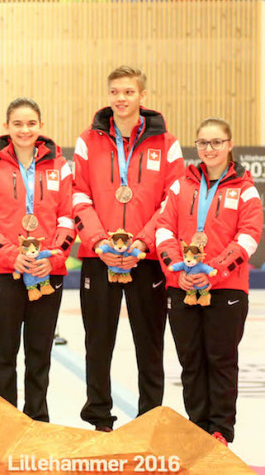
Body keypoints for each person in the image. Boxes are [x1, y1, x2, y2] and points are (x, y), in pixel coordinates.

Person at [72, 66, 183, 431]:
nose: (121, 99)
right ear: (109, 96)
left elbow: (173, 200)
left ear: (142, 97)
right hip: (99, 255)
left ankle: (150, 418)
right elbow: (78, 195)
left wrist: (142, 242)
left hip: (146, 258)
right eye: (115, 92)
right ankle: (99, 418)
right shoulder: (88, 140)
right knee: (98, 343)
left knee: (149, 344)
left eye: (129, 92)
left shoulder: (167, 143)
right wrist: (99, 241)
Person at [155, 118, 261, 446]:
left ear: (230, 145)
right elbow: (163, 230)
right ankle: (197, 427)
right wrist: (179, 270)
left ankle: (220, 431)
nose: (209, 149)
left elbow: (249, 237)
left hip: (226, 288)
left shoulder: (244, 188)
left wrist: (212, 270)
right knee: (191, 360)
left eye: (216, 142)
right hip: (183, 285)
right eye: (203, 143)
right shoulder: (181, 185)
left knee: (221, 360)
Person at [0, 98, 74, 422]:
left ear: (40, 126)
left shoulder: (60, 165)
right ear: (7, 127)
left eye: (31, 123)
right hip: (3, 272)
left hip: (47, 271)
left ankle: (37, 423)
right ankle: (6, 425)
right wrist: (11, 256)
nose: (25, 130)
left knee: (39, 355)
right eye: (18, 124)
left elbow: (68, 217)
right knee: (4, 356)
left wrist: (54, 257)